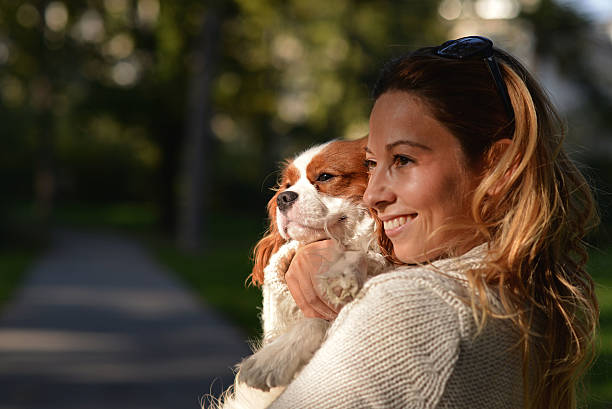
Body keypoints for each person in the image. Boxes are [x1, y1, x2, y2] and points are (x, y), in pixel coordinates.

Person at [269, 36, 599, 409]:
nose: (374, 195)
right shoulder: (522, 297)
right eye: (373, 164)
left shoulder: (410, 307)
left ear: (499, 168)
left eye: (404, 160)